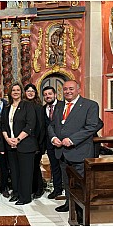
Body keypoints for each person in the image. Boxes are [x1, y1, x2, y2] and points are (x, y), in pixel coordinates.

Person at [48, 80, 102, 224]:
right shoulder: (59, 106)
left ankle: (80, 212)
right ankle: (68, 204)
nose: (68, 91)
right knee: (67, 181)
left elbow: (91, 127)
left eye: (71, 89)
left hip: (79, 151)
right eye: (65, 89)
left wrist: (72, 140)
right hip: (62, 152)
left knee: (80, 184)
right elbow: (52, 125)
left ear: (78, 89)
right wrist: (53, 138)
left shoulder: (90, 105)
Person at [1, 81, 38, 205]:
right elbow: (3, 125)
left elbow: (30, 125)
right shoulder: (6, 108)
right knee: (15, 172)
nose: (15, 92)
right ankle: (16, 193)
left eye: (18, 90)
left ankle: (25, 197)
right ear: (10, 93)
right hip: (10, 145)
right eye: (13, 90)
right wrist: (7, 139)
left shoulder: (27, 105)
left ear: (21, 92)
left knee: (25, 172)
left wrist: (17, 139)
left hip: (25, 144)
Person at [24, 83, 46, 199]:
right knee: (27, 167)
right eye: (28, 91)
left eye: (32, 91)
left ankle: (38, 189)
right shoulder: (22, 106)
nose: (30, 93)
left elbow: (41, 127)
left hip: (36, 142)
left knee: (35, 166)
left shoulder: (39, 107)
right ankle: (30, 188)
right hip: (24, 142)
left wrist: (39, 144)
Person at [42, 86, 63, 199]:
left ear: (55, 94)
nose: (47, 96)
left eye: (49, 94)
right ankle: (57, 189)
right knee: (54, 167)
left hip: (63, 143)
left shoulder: (63, 105)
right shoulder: (43, 109)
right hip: (50, 143)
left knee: (65, 167)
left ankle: (71, 189)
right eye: (45, 94)